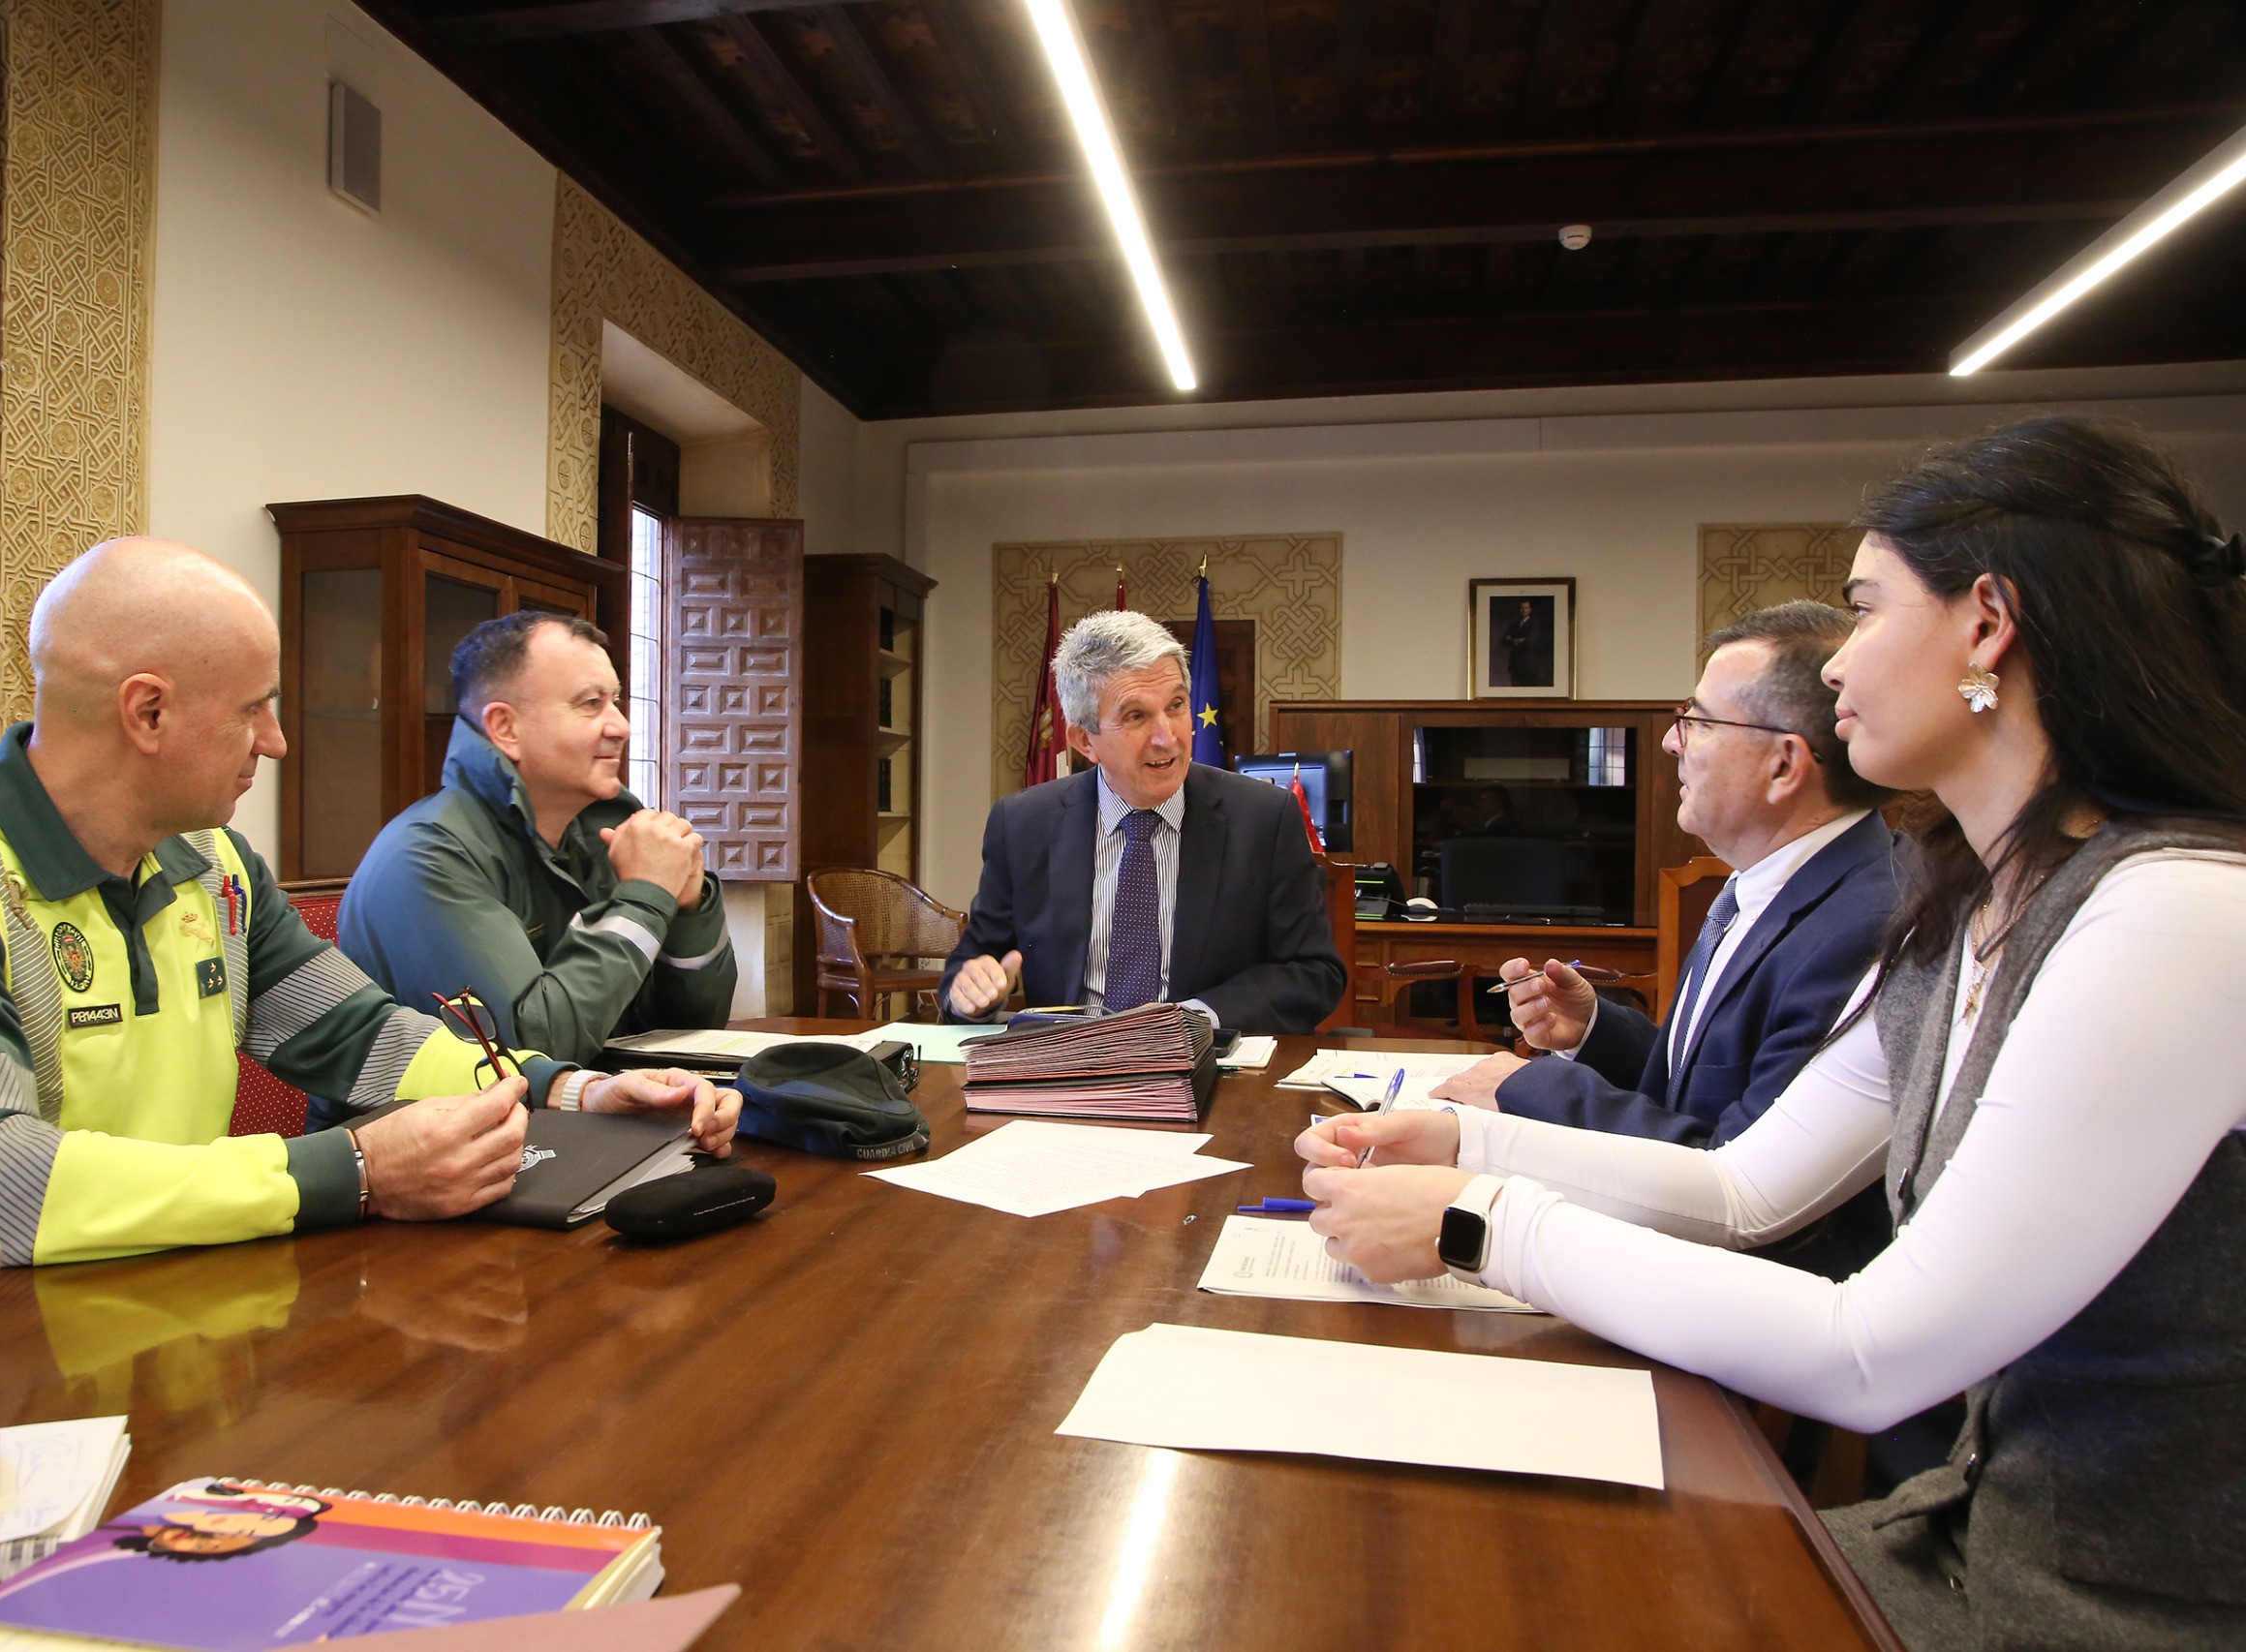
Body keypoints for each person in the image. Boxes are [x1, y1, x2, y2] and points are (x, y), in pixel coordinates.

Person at [1296, 416, 2246, 1650]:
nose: (1838, 664)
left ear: (1987, 625)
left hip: (2100, 1612)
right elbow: (1746, 1189)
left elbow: (1871, 1353)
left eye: (1863, 608)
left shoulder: (2174, 914)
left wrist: (1480, 1218)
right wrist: (1463, 1132)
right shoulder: (1969, 900)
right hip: (1963, 1543)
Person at [0, 538, 735, 1269]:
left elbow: (368, 1039)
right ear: (149, 713)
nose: (279, 742)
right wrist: (359, 1171)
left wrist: (576, 1090)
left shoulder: (213, 866)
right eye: (254, 709)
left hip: (166, 1294)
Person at [1437, 602, 1899, 1168]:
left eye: (1699, 722)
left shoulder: (1866, 929)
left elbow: (1730, 1175)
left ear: (1783, 765)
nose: (1671, 743)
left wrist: (1525, 1087)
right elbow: (1701, 1092)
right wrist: (1596, 1030)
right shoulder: (1766, 886)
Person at [338, 612, 734, 1073]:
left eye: (616, 701)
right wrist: (645, 899)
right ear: (506, 728)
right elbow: (522, 1057)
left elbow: (687, 1033)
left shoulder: (602, 834)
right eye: (590, 703)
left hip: (592, 1123)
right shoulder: (427, 856)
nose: (621, 726)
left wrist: (688, 912)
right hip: (438, 1138)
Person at [940, 609, 1344, 1034]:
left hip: (1202, 1065)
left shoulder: (1263, 818)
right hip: (1067, 1068)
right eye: (1136, 716)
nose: (1167, 737)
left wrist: (1193, 1019)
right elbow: (971, 967)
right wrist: (971, 994)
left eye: (1176, 706)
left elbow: (1312, 973)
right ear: (1084, 740)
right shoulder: (1023, 824)